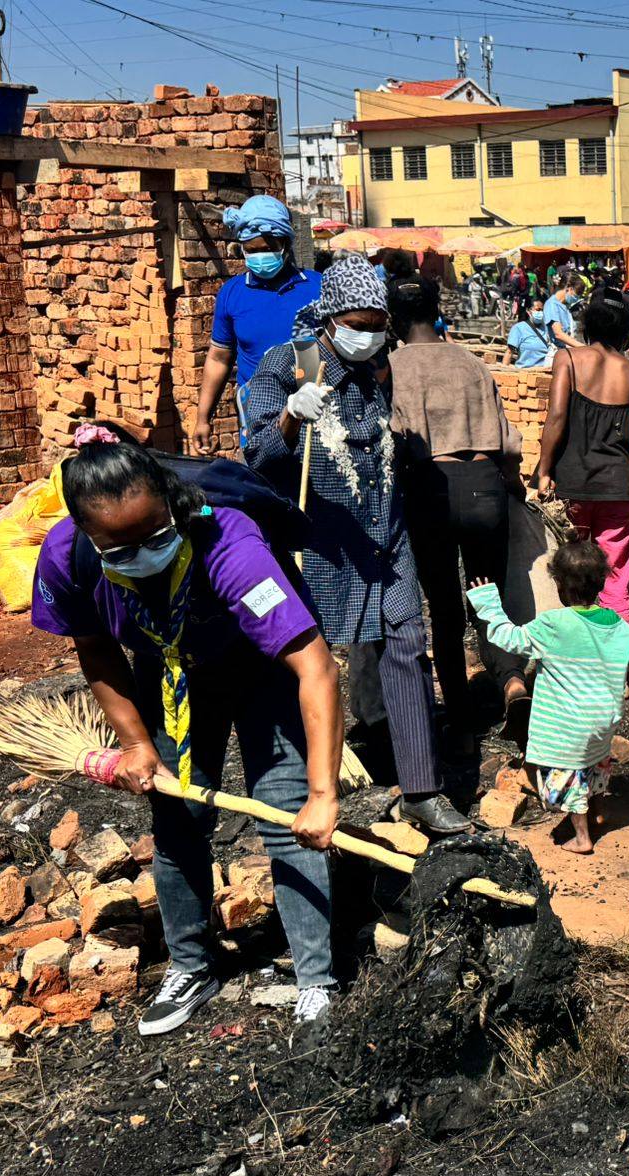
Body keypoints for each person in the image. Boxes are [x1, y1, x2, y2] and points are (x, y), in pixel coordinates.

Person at [31, 424, 342, 1034]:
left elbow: (316, 666)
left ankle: (317, 978)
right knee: (176, 823)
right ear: (87, 536)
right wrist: (138, 745)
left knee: (286, 817)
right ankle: (192, 967)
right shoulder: (67, 557)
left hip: (260, 670)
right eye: (118, 550)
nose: (140, 556)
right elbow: (96, 650)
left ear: (174, 509)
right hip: (169, 677)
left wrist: (324, 795)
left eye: (153, 537)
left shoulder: (227, 542)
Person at [243, 256, 464, 836]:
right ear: (332, 317)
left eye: (378, 326)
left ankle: (421, 788)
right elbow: (259, 458)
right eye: (358, 324)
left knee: (407, 646)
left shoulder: (378, 368)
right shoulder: (288, 366)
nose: (368, 336)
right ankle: (301, 784)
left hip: (384, 538)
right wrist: (291, 416)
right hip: (319, 544)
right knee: (307, 659)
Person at [386, 276, 529, 746]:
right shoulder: (472, 362)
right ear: (436, 311)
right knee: (490, 598)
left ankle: (461, 712)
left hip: (431, 490)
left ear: (394, 318)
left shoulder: (392, 368)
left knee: (446, 610)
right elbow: (508, 442)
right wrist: (513, 484)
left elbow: (395, 441)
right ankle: (511, 682)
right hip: (486, 487)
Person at [466, 539, 629, 855]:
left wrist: (488, 603)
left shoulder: (553, 625)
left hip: (567, 727)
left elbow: (510, 638)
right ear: (602, 583)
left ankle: (582, 838)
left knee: (571, 777)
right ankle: (599, 813)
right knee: (595, 764)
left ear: (560, 585)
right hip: (602, 722)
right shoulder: (615, 623)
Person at [536, 292, 629, 622]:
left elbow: (556, 417)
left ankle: (575, 650)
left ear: (587, 323)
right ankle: (616, 660)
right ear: (626, 331)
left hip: (574, 485)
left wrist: (544, 470)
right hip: (617, 489)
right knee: (616, 577)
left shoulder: (568, 359)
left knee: (572, 573)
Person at [194, 196, 322, 454]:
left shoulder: (317, 287)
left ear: (285, 244)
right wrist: (202, 418)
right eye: (251, 250)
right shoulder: (232, 294)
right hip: (258, 421)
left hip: (315, 418)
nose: (259, 256)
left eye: (266, 248)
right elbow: (219, 358)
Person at [539, 273, 583, 367]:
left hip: (566, 355)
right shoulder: (552, 305)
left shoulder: (565, 306)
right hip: (556, 357)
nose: (577, 298)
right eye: (577, 294)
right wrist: (583, 348)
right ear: (569, 288)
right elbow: (558, 333)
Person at [506, 298, 551, 369]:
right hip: (524, 372)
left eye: (542, 310)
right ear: (528, 311)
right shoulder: (519, 328)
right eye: (538, 310)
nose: (541, 313)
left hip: (545, 371)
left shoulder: (548, 328)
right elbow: (509, 352)